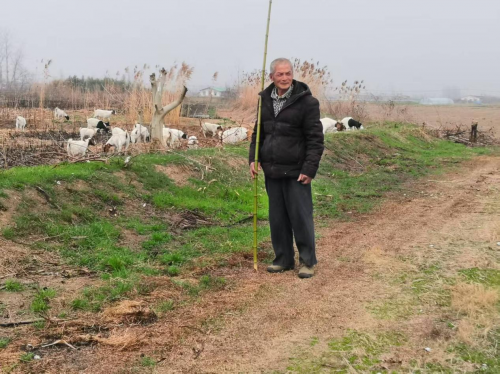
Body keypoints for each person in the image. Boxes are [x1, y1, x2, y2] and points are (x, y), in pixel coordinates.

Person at [249, 58, 324, 278]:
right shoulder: (264, 100)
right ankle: (283, 259)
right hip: (272, 169)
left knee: (301, 217)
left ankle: (307, 262)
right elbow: (258, 133)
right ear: (272, 76)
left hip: (296, 170)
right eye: (280, 74)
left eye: (288, 74)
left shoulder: (307, 102)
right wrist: (253, 158)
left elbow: (315, 139)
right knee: (277, 217)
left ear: (292, 75)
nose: (284, 78)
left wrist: (309, 169)